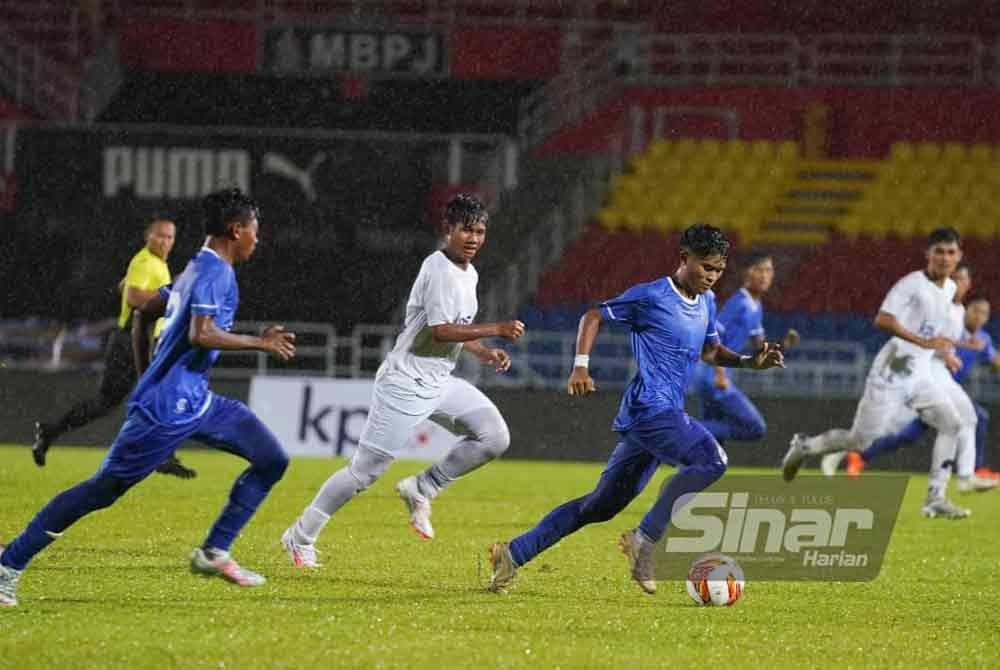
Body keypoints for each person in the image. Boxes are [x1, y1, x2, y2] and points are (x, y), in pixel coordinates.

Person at [0, 188, 297, 607]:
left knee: (271, 458)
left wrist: (145, 376)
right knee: (102, 490)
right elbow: (201, 332)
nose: (257, 238)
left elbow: (143, 314)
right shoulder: (215, 274)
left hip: (194, 400)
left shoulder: (195, 267)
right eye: (254, 230)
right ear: (236, 230)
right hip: (166, 410)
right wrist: (260, 343)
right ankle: (8, 565)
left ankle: (213, 551)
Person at [487, 224, 784, 595]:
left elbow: (710, 352)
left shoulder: (706, 302)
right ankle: (645, 538)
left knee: (599, 507)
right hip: (650, 408)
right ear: (684, 258)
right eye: (705, 267)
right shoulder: (652, 296)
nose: (711, 276)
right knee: (712, 461)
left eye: (718, 269)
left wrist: (749, 362)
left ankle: (513, 554)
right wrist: (581, 365)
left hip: (662, 414)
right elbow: (593, 315)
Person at [280, 194, 523, 569]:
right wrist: (498, 328)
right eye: (466, 230)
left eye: (480, 231)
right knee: (364, 472)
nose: (473, 238)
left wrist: (484, 351)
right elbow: (441, 331)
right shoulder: (438, 268)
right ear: (448, 230)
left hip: (439, 381)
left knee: (494, 436)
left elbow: (455, 326)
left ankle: (423, 487)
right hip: (405, 383)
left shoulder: (469, 273)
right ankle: (300, 536)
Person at [781, 228, 977, 519]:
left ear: (959, 256)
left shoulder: (949, 289)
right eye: (939, 251)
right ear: (928, 254)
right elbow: (883, 320)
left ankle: (936, 497)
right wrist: (925, 343)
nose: (945, 258)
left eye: (951, 252)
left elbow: (930, 332)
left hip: (921, 374)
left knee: (952, 423)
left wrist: (944, 353)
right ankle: (805, 445)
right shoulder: (911, 285)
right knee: (861, 440)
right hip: (893, 369)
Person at [30, 217, 196, 479]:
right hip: (130, 342)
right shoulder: (146, 261)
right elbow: (133, 297)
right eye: (160, 236)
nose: (165, 241)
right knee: (151, 395)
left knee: (114, 400)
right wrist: (172, 293)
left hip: (135, 341)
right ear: (148, 237)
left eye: (170, 237)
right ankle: (160, 455)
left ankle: (51, 431)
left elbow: (124, 287)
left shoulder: (153, 264)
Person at [828, 268, 1000, 483]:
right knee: (966, 419)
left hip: (943, 394)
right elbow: (925, 344)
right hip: (925, 385)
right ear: (967, 309)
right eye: (976, 311)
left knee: (915, 434)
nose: (980, 317)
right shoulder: (945, 320)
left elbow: (995, 360)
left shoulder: (983, 339)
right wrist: (944, 354)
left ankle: (860, 456)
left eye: (985, 313)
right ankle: (973, 471)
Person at [692, 251, 799, 445]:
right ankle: (679, 429)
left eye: (769, 270)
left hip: (714, 375)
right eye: (759, 270)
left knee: (712, 443)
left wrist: (783, 344)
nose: (765, 275)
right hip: (712, 375)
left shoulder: (755, 305)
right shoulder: (738, 303)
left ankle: (687, 457)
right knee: (754, 427)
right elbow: (712, 335)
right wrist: (720, 373)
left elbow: (760, 347)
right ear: (747, 274)